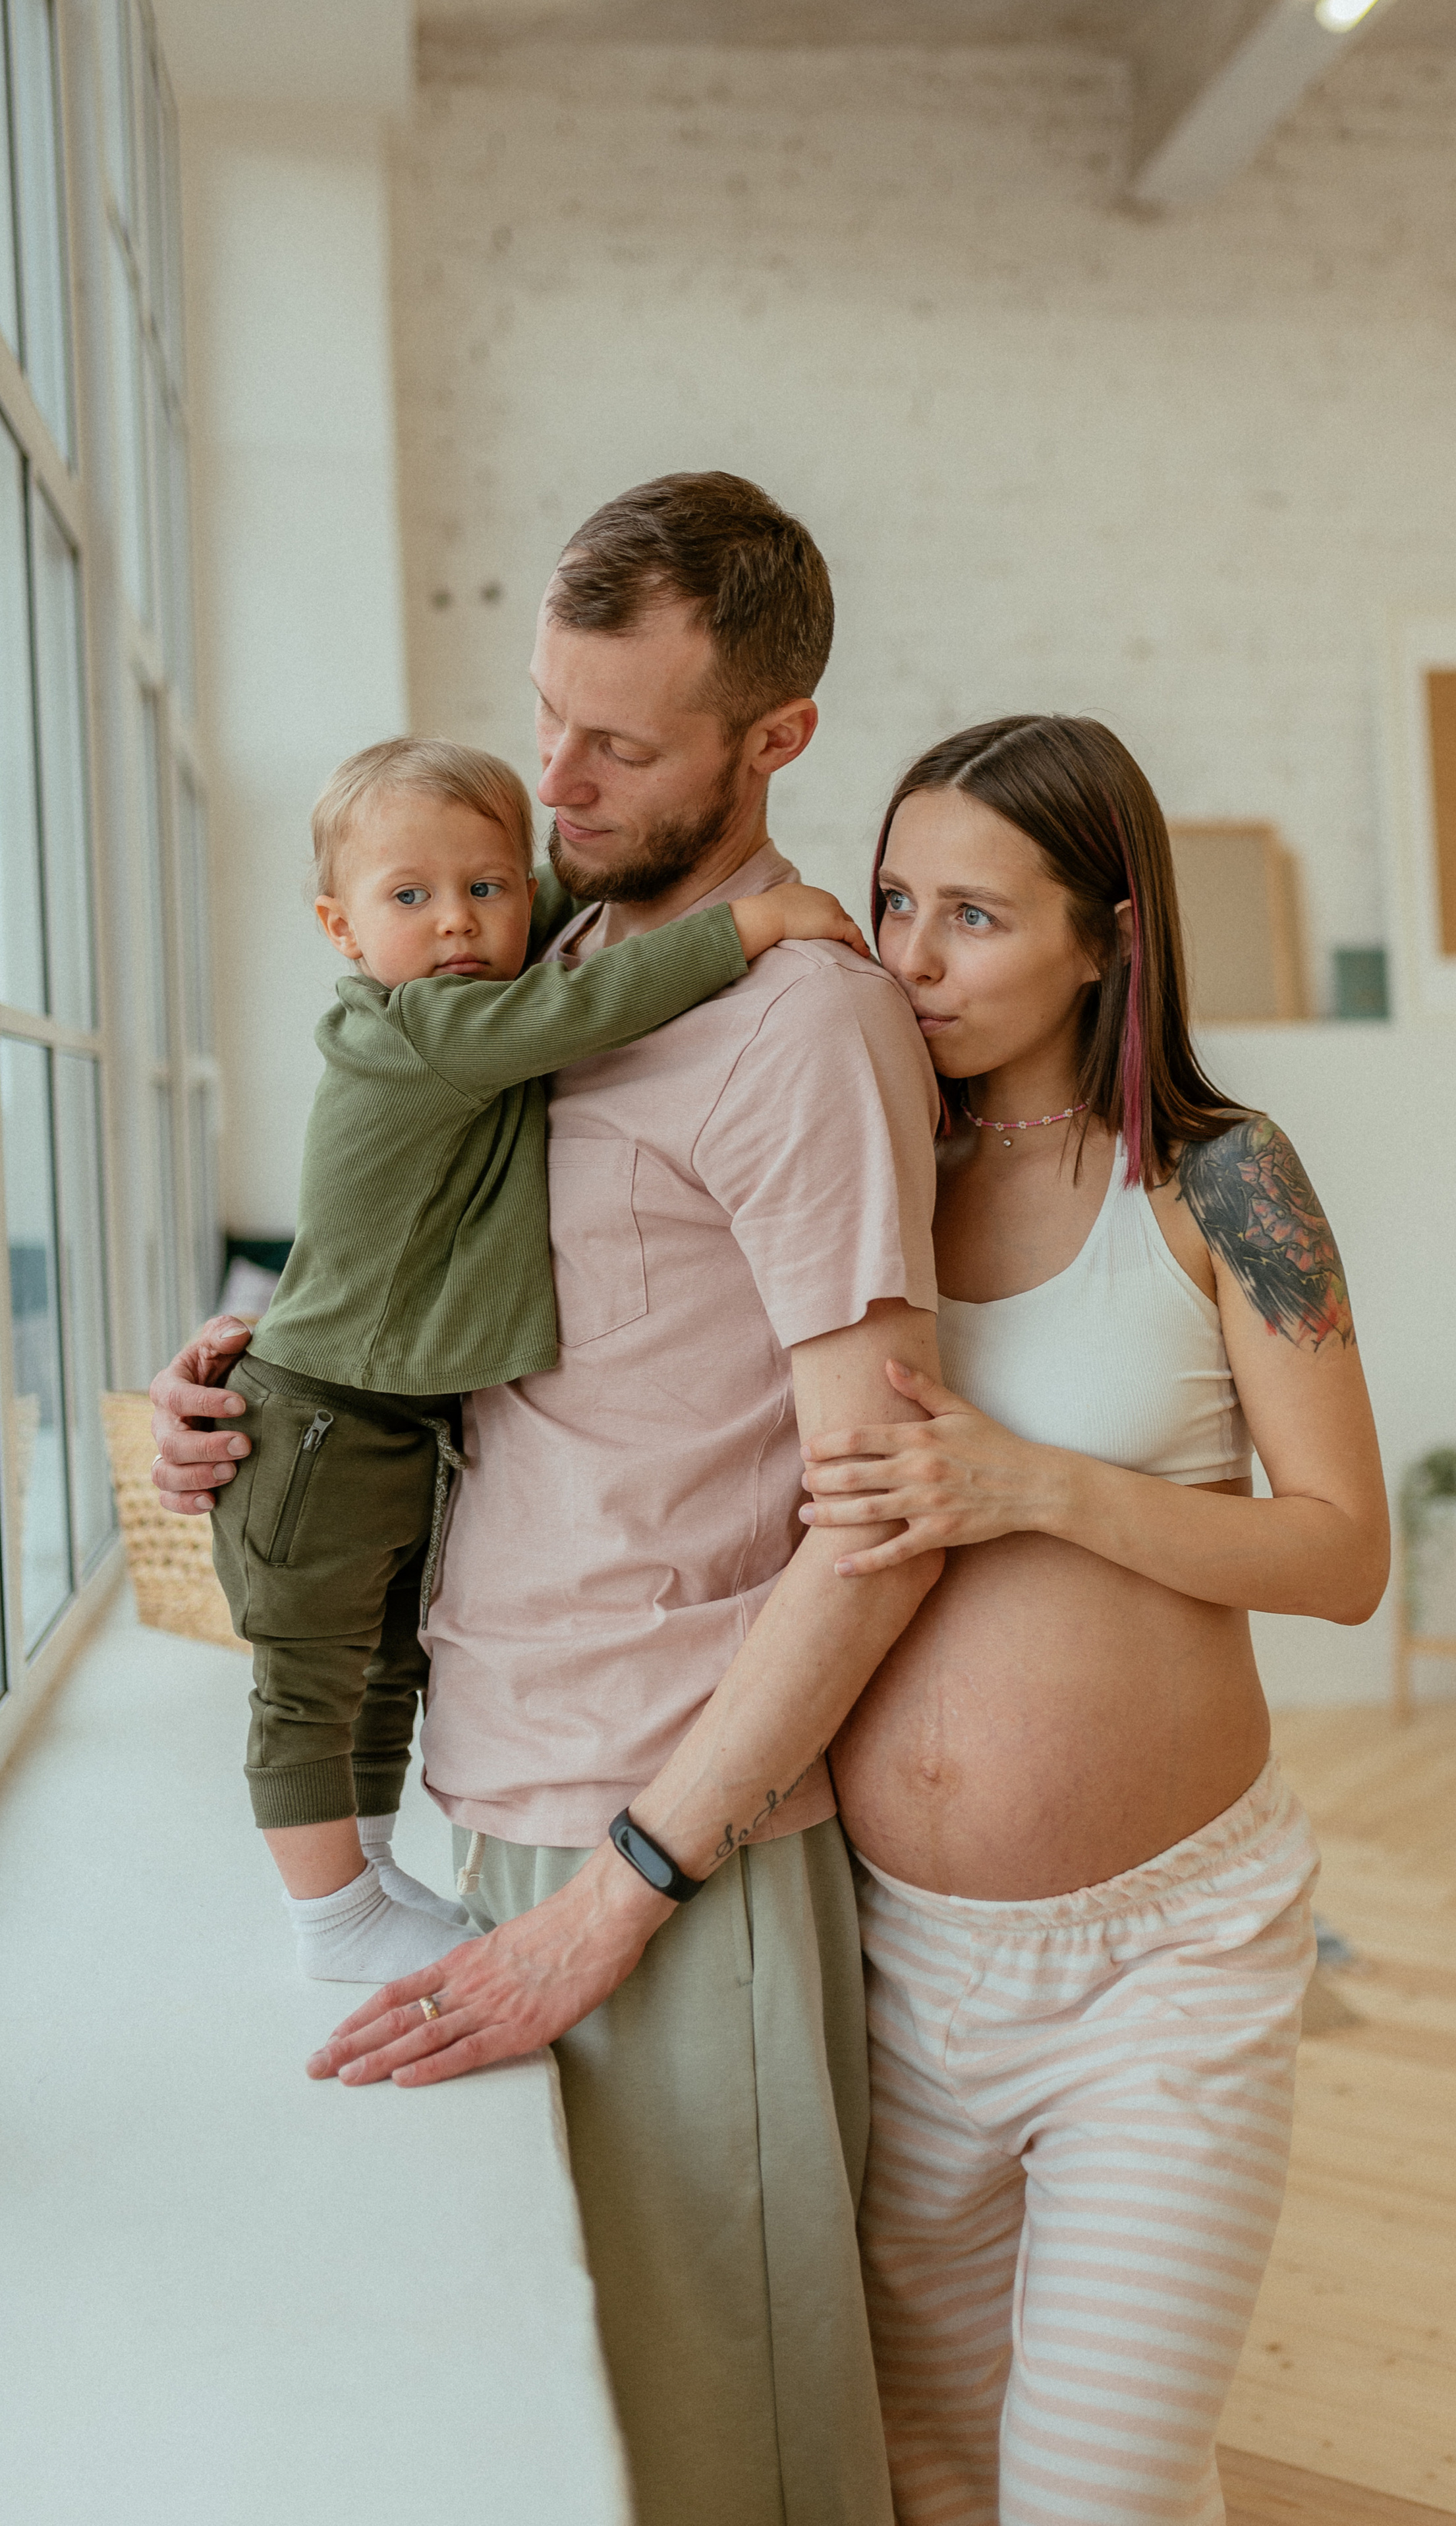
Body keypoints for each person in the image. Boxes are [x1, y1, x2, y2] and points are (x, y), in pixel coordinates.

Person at [149, 474, 945, 2526]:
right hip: (496, 1802)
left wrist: (623, 1903)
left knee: (734, 2463)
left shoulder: (803, 1023)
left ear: (777, 740)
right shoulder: (549, 960)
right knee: (587, 2464)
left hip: (670, 1851)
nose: (557, 778)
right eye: (546, 716)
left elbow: (880, 1510)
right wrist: (250, 1399)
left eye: (627, 741)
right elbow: (459, 1312)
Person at [795, 715, 1391, 2526]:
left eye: (972, 914)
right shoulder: (868, 1161)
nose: (908, 955)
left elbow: (1344, 1552)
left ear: (1108, 935)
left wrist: (1036, 1487)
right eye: (893, 899)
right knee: (936, 2480)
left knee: (1099, 2493)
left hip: (1168, 1963)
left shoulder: (1221, 1178)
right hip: (896, 1958)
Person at [208, 732, 867, 1984]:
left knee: (385, 1656)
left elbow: (558, 891)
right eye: (410, 897)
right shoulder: (430, 1027)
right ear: (340, 929)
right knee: (309, 1676)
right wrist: (754, 924)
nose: (457, 923)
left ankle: (366, 1866)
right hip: (321, 1419)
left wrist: (553, 859)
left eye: (485, 888)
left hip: (388, 1413)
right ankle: (327, 1917)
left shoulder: (466, 971)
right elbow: (588, 998)